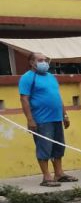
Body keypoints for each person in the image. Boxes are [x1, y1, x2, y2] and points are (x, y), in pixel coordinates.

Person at [18, 52, 76, 187]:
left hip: (56, 117)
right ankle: (46, 176)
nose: (44, 62)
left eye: (45, 60)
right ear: (32, 62)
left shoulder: (51, 77)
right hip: (41, 119)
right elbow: (24, 99)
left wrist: (64, 115)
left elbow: (57, 96)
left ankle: (59, 173)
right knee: (44, 147)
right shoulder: (28, 78)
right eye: (40, 60)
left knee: (59, 146)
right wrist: (30, 120)